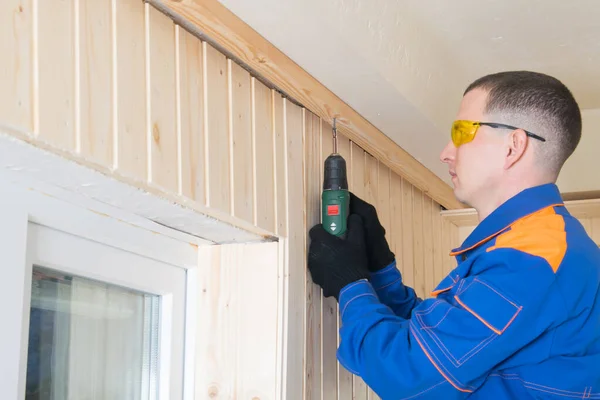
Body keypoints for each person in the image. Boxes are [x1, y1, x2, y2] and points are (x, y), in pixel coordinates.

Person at [307, 71, 600, 399]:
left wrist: (349, 283)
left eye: (462, 132)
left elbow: (408, 373)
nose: (446, 152)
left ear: (513, 146)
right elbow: (437, 345)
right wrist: (378, 269)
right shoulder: (532, 246)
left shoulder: (532, 258)